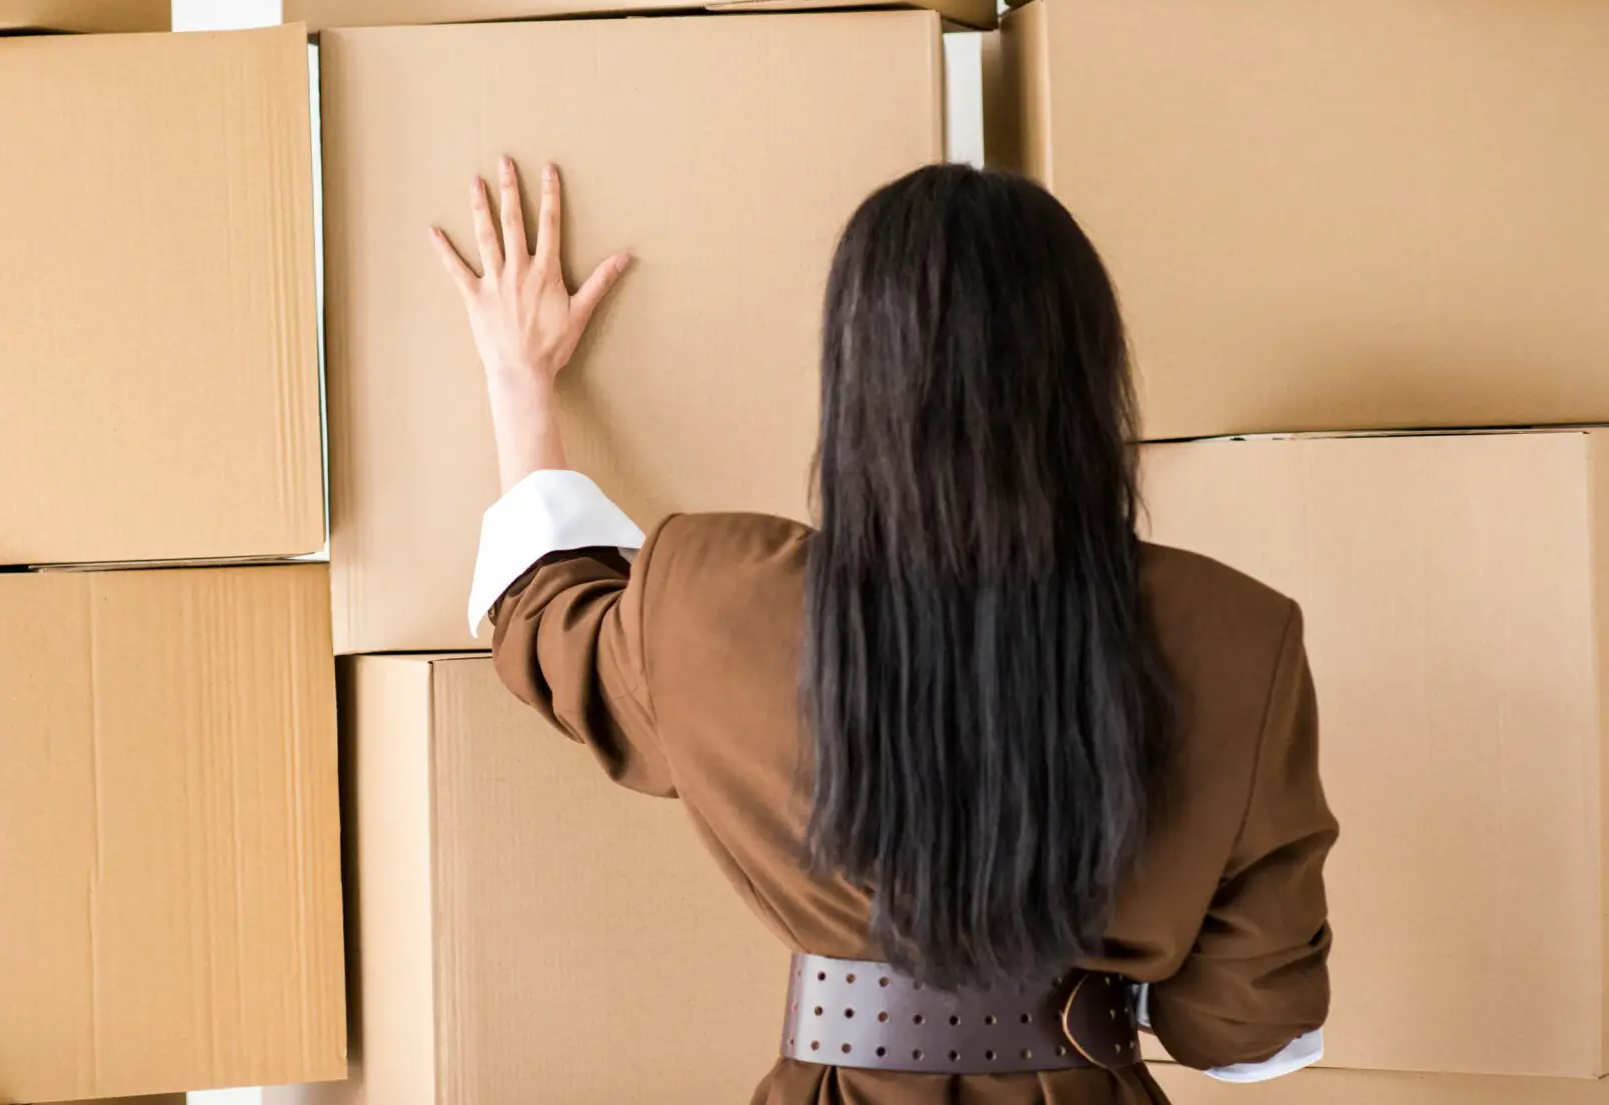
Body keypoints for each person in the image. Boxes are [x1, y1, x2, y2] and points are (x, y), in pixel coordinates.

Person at [430, 158, 1336, 1105]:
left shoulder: (713, 601)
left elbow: (542, 612)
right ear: (1091, 375)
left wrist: (518, 380)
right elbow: (1250, 1024)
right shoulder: (1240, 637)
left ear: (855, 376)